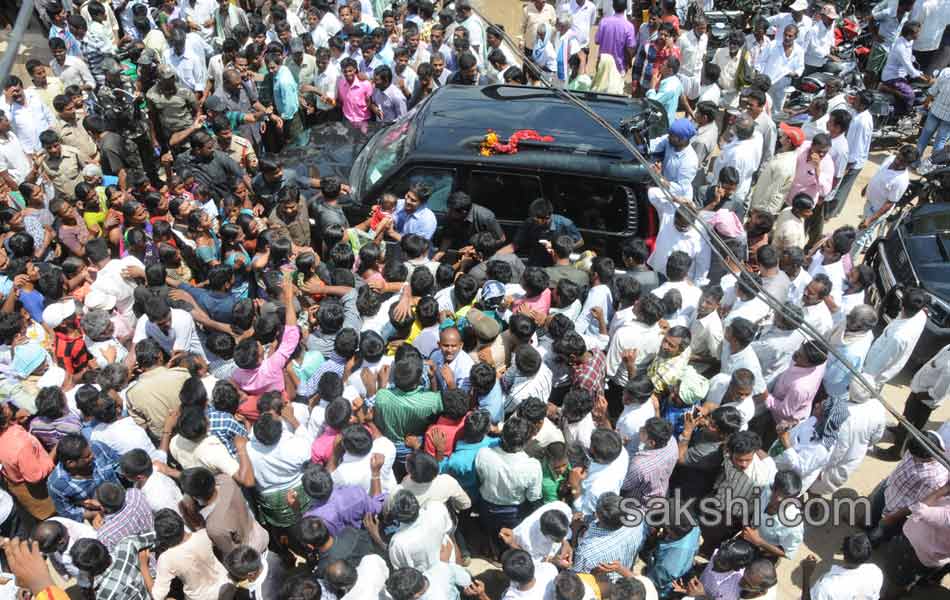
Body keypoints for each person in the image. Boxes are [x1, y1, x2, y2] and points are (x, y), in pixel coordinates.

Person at [881, 21, 931, 116]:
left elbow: (910, 58)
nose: (919, 34)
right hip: (893, 77)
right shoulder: (900, 48)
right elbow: (909, 69)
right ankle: (897, 110)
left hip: (902, 74)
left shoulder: (909, 41)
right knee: (910, 95)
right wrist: (925, 79)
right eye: (918, 32)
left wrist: (920, 71)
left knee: (917, 91)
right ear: (910, 34)